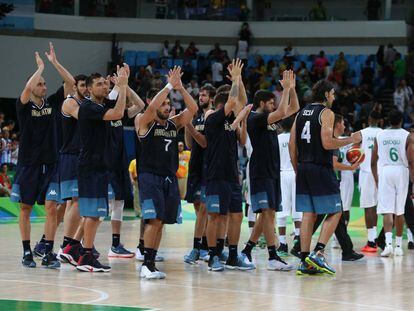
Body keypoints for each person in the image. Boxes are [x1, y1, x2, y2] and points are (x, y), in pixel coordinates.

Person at [11, 43, 75, 268]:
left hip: (51, 164)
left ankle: (47, 251)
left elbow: (70, 83)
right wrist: (38, 69)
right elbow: (27, 90)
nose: (44, 86)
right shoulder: (23, 106)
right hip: (29, 164)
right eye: (40, 83)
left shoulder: (54, 103)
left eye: (45, 83)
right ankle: (27, 251)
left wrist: (54, 63)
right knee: (26, 208)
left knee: (51, 207)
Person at [289, 80, 361, 275]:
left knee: (308, 214)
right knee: (336, 210)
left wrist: (298, 169)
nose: (334, 97)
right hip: (320, 167)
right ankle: (318, 252)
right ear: (327, 94)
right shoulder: (326, 113)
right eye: (333, 94)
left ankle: (304, 260)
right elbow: (328, 143)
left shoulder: (300, 114)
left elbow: (291, 145)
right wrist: (351, 140)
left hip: (303, 167)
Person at [135, 66, 198, 279]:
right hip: (149, 177)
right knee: (153, 220)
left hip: (168, 178)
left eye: (169, 104)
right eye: (163, 103)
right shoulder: (145, 122)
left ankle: (151, 263)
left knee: (161, 221)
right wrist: (169, 86)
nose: (167, 106)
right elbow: (151, 107)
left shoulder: (174, 124)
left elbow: (193, 108)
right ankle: (146, 263)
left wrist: (180, 89)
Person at [241, 71, 300, 271]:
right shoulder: (255, 118)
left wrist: (291, 89)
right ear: (262, 103)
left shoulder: (269, 119)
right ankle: (273, 256)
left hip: (273, 172)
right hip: (261, 171)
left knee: (268, 214)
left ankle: (247, 250)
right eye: (271, 102)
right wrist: (285, 90)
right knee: (267, 213)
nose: (274, 105)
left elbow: (294, 108)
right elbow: (283, 110)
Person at [75, 67, 128, 272]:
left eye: (105, 83)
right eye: (99, 84)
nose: (104, 86)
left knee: (95, 215)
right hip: (90, 167)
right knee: (92, 215)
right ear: (88, 89)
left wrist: (120, 84)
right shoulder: (89, 107)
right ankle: (86, 256)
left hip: (98, 167)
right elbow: (118, 113)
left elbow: (115, 106)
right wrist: (122, 87)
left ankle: (79, 251)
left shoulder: (98, 105)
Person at [204, 59, 253, 272]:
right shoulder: (212, 118)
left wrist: (241, 121)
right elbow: (235, 101)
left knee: (236, 215)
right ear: (222, 105)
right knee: (216, 216)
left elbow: (242, 140)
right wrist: (236, 79)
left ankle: (233, 255)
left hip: (232, 175)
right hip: (216, 174)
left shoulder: (231, 123)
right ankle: (213, 255)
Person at [106, 65, 146, 258]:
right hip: (103, 163)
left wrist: (126, 85)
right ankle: (76, 244)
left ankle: (115, 244)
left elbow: (139, 106)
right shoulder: (99, 110)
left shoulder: (119, 113)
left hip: (119, 162)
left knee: (119, 202)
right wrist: (119, 85)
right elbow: (111, 99)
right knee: (99, 206)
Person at [371, 109, 414, 257]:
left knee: (387, 210)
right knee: (399, 210)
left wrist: (377, 179)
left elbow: (373, 161)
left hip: (385, 171)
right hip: (401, 171)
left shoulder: (380, 135)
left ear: (388, 120)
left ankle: (388, 245)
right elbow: (410, 161)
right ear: (401, 121)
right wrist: (413, 181)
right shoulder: (407, 136)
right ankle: (398, 246)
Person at [56, 74, 89, 266]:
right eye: (82, 85)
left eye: (87, 85)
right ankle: (66, 246)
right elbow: (83, 116)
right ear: (75, 87)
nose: (85, 89)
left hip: (81, 156)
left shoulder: (84, 103)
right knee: (75, 202)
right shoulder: (70, 103)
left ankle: (69, 246)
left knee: (72, 203)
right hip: (71, 156)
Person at [183, 84, 216, 264]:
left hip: (207, 167)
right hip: (195, 166)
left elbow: (204, 143)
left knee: (204, 209)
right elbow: (189, 144)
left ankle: (197, 248)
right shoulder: (197, 118)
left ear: (211, 98)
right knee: (198, 208)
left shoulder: (211, 117)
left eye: (203, 95)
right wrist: (188, 125)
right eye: (200, 95)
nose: (200, 98)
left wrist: (190, 126)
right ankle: (204, 245)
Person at [276, 117, 302, 257]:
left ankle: (282, 244)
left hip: (282, 174)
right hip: (295, 173)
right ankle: (298, 238)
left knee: (281, 209)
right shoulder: (296, 139)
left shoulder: (278, 139)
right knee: (297, 207)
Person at [359, 111, 383, 252]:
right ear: (379, 121)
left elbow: (353, 149)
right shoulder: (382, 133)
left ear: (368, 119)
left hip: (367, 172)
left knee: (368, 207)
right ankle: (375, 238)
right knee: (376, 207)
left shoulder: (362, 133)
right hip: (380, 172)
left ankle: (371, 241)